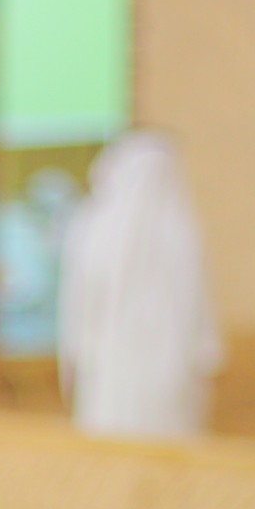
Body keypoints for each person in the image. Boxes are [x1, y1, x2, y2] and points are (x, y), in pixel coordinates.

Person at [59, 131, 222, 438]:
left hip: (117, 369)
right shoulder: (180, 231)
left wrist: (78, 354)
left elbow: (79, 306)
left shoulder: (96, 228)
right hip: (154, 371)